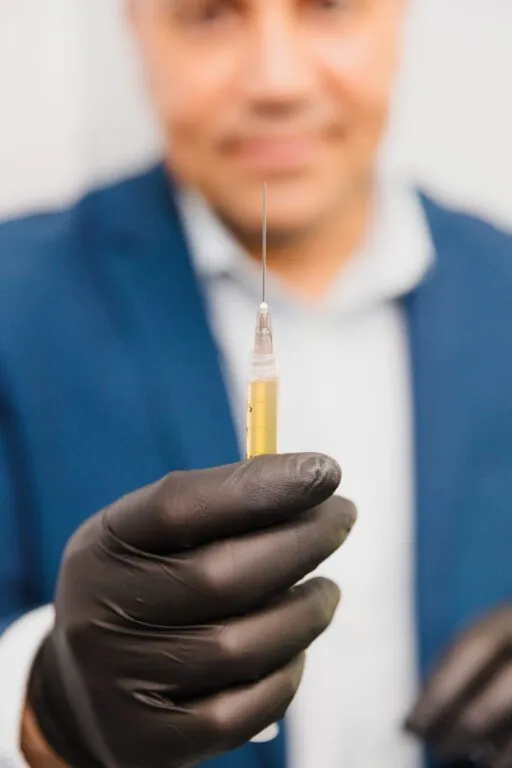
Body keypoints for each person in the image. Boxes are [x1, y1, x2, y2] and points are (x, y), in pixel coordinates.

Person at [0, 0, 511, 766]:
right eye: (209, 15)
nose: (276, 82)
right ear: (137, 30)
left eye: (330, 7)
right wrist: (40, 709)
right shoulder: (19, 302)